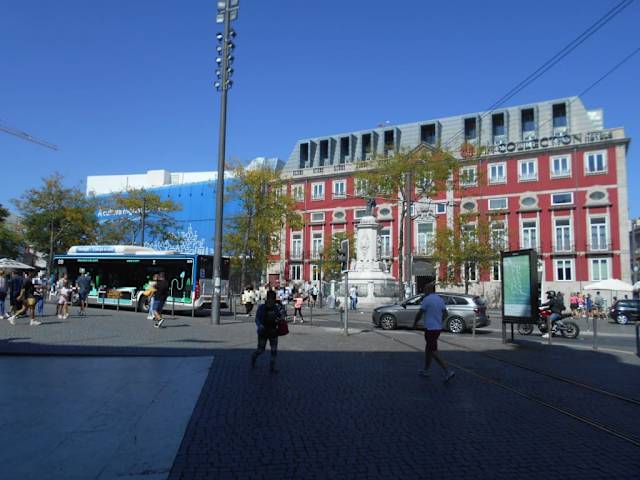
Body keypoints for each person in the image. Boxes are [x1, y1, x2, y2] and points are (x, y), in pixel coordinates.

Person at [415, 285, 455, 382]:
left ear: (429, 290)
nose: (424, 291)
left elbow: (420, 312)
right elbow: (445, 313)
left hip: (430, 328)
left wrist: (415, 322)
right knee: (428, 349)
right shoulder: (439, 299)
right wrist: (439, 322)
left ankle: (448, 371)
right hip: (437, 328)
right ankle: (426, 369)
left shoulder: (426, 299)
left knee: (433, 350)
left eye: (425, 290)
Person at [251, 289, 284, 373]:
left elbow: (280, 316)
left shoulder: (275, 307)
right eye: (271, 298)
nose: (272, 301)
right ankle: (254, 357)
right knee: (261, 350)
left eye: (273, 299)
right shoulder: (262, 307)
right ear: (268, 298)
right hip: (264, 331)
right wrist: (260, 325)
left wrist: (281, 319)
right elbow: (257, 319)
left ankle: (272, 366)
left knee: (274, 350)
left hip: (273, 331)